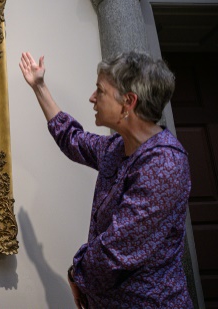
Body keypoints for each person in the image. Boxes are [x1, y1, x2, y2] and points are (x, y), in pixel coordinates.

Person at [19, 51, 192, 308]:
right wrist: (39, 86)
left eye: (99, 91)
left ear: (128, 102)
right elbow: (72, 139)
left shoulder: (164, 164)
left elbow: (115, 251)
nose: (92, 97)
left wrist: (75, 272)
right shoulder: (117, 148)